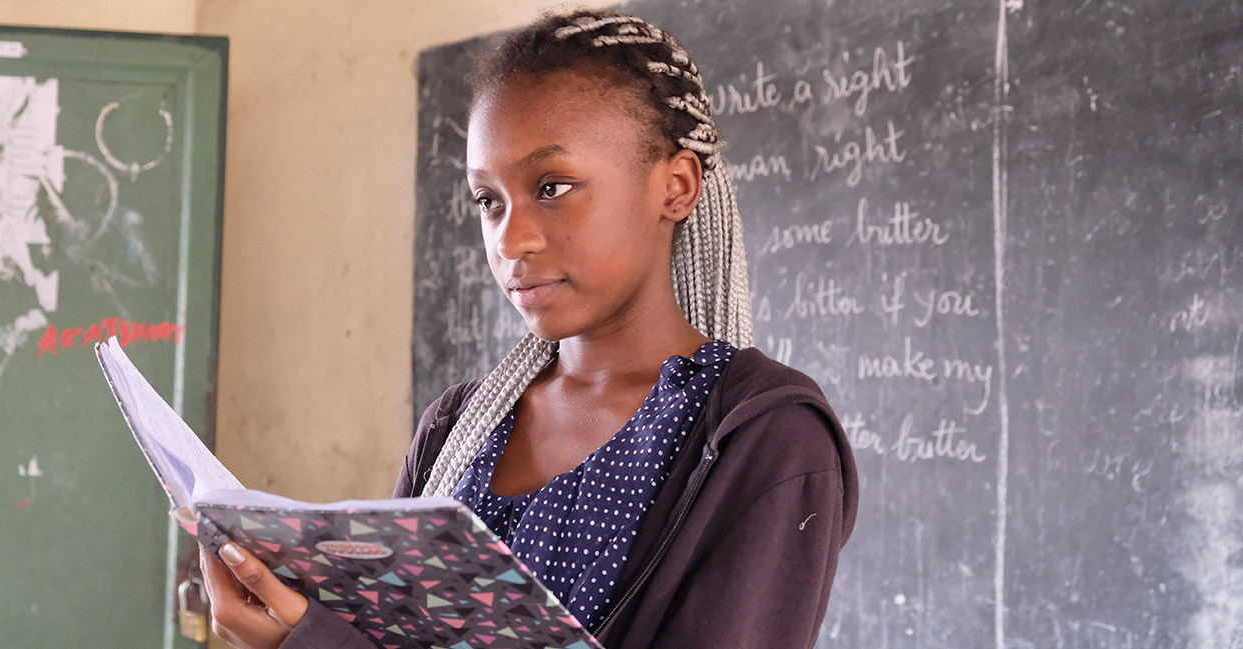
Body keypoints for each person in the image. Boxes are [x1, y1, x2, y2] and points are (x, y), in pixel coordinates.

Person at [199, 9, 859, 649]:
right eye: (489, 200)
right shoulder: (456, 429)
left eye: (553, 186)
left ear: (677, 186)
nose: (510, 239)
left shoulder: (762, 436)